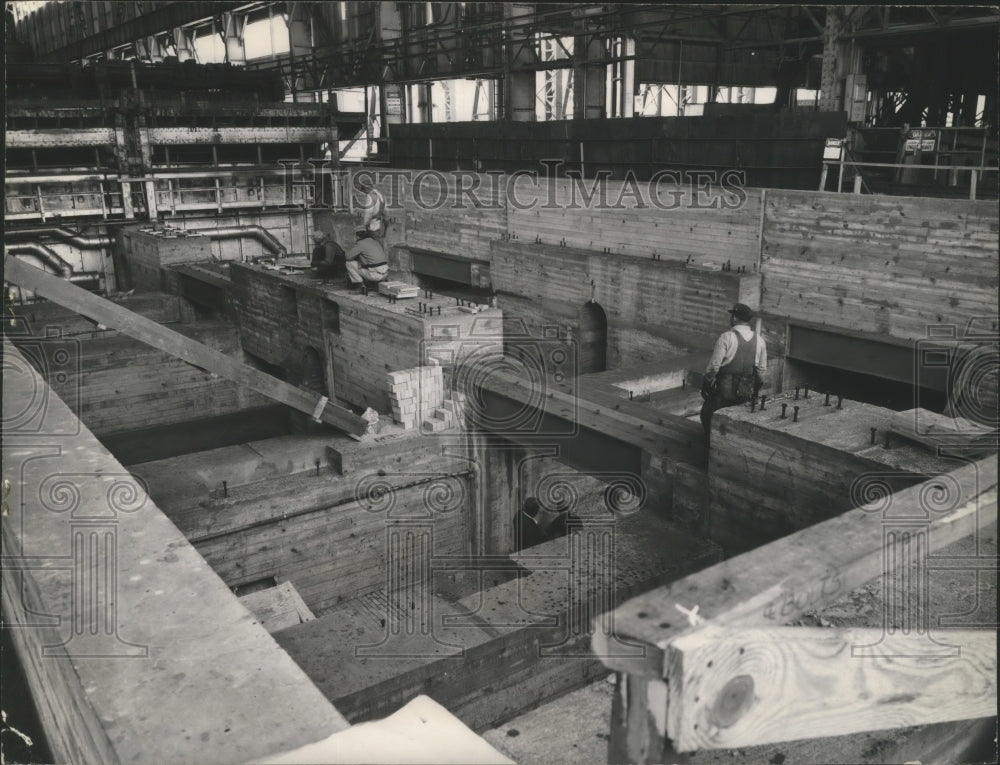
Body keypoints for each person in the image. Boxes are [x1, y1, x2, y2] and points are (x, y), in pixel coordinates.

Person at [700, 302, 767, 438]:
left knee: (707, 416)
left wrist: (706, 384)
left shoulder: (726, 337)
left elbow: (714, 367)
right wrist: (756, 390)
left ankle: (710, 446)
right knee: (737, 425)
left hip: (724, 391)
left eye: (732, 316)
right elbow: (761, 372)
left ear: (735, 318)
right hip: (745, 392)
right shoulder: (760, 341)